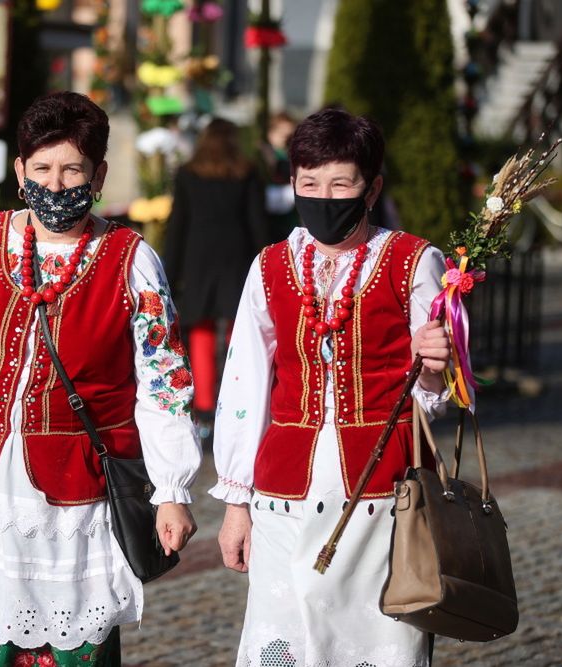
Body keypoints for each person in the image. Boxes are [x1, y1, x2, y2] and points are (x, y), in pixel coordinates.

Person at [0, 91, 200, 666]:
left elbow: (163, 385)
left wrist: (172, 490)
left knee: (74, 648)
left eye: (72, 169)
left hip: (78, 495)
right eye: (42, 168)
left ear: (98, 175)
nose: (55, 183)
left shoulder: (130, 259)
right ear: (20, 171)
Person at [211, 107, 451, 667]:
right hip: (283, 492)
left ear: (372, 189)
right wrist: (236, 504)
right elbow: (244, 385)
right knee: (283, 639)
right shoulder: (270, 265)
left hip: (382, 495)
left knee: (373, 640)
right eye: (310, 182)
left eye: (341, 183)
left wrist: (433, 366)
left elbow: (434, 393)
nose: (323, 195)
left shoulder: (414, 261)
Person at [162, 118, 270, 443]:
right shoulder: (247, 172)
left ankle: (205, 410)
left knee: (201, 332)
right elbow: (258, 223)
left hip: (198, 259)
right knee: (241, 333)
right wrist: (267, 266)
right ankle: (240, 403)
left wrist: (170, 275)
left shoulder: (187, 173)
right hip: (237, 258)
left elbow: (177, 225)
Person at [261, 111, 300, 243]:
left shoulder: (295, 156)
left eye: (290, 135)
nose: (287, 139)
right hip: (272, 221)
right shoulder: (264, 158)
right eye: (282, 135)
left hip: (291, 220)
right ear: (271, 134)